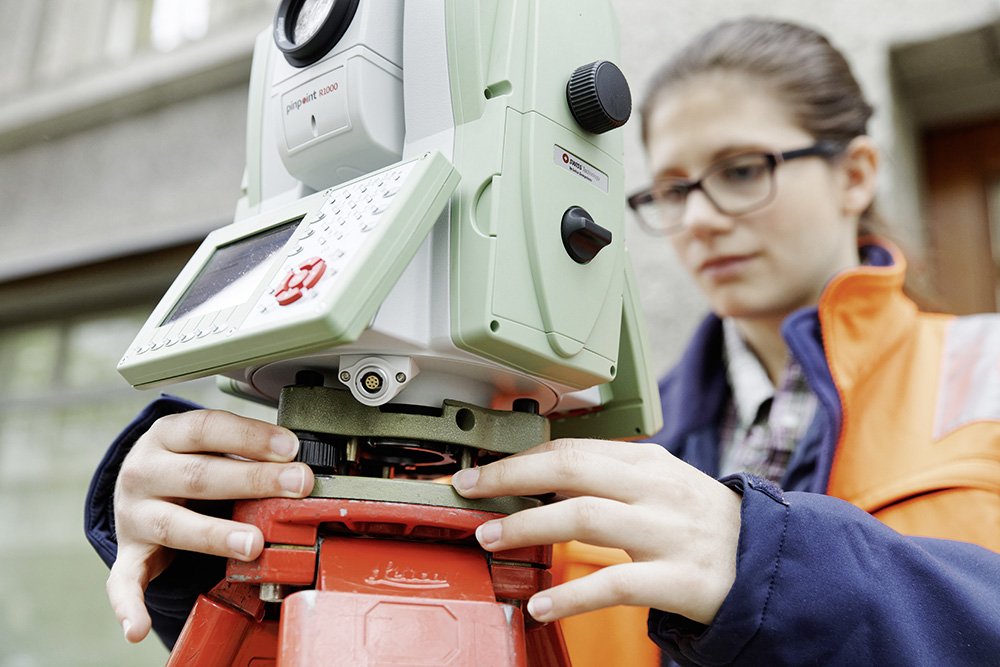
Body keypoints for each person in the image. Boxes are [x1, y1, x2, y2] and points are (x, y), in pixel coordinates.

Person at [86, 17, 1000, 667]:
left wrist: (774, 570)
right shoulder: (594, 452)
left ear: (857, 174)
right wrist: (221, 550)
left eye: (741, 171)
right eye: (671, 190)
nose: (702, 218)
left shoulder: (986, 371)